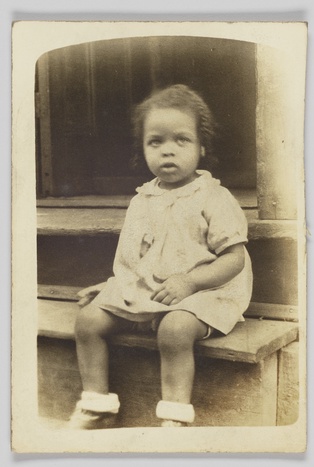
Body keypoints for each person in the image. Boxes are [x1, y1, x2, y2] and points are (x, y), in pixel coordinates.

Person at [69, 84, 253, 429]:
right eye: (156, 142)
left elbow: (234, 260)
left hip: (207, 290)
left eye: (181, 140)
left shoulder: (212, 197)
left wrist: (189, 281)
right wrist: (114, 286)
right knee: (88, 321)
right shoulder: (142, 200)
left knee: (174, 328)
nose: (168, 151)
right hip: (154, 288)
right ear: (143, 149)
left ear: (201, 147)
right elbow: (143, 256)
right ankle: (97, 405)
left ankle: (175, 417)